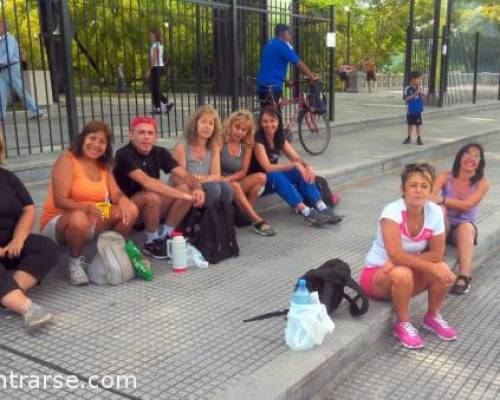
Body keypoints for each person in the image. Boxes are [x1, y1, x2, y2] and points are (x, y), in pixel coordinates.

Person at [360, 163, 457, 349]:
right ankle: (402, 323)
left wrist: (429, 264)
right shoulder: (392, 212)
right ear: (403, 188)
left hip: (404, 273)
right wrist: (425, 264)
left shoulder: (435, 212)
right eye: (413, 185)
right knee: (404, 272)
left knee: (439, 268)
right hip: (377, 276)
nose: (418, 190)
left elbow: (437, 253)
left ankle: (432, 316)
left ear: (430, 190)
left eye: (424, 186)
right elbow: (395, 254)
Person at [40, 121, 139, 286]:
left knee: (131, 210)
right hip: (60, 219)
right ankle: (75, 264)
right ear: (82, 139)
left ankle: (109, 255)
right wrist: (85, 207)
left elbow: (115, 193)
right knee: (78, 217)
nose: (96, 145)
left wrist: (123, 200)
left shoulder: (104, 165)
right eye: (92, 138)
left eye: (102, 142)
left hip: (94, 214)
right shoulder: (67, 159)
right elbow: (60, 200)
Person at [114, 116, 205, 259]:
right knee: (152, 196)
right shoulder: (124, 154)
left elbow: (184, 175)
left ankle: (164, 236)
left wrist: (197, 188)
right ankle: (151, 243)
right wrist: (182, 196)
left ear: (156, 137)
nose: (146, 137)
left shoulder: (160, 152)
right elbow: (147, 183)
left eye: (150, 133)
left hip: (153, 207)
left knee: (186, 188)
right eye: (141, 133)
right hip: (127, 209)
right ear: (131, 135)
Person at [0, 137, 60, 333]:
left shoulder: (7, 177)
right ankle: (28, 308)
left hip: (11, 243)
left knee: (47, 248)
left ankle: (8, 296)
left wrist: (18, 240)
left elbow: (28, 208)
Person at [249, 105, 341, 227]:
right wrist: (294, 165)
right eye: (265, 121)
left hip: (275, 180)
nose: (269, 125)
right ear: (260, 123)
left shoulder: (279, 136)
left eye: (272, 120)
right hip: (261, 182)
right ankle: (306, 212)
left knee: (300, 170)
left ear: (278, 121)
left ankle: (321, 206)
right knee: (275, 173)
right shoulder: (258, 139)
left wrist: (307, 166)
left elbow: (296, 158)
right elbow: (267, 167)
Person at [431, 143, 489, 295]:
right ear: (459, 157)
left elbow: (467, 206)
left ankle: (464, 277)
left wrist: (442, 199)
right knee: (439, 210)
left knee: (465, 227)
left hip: (462, 231)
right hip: (443, 225)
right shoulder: (444, 176)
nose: (471, 158)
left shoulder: (482, 183)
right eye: (467, 154)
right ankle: (437, 256)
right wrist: (439, 202)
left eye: (476, 156)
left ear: (480, 162)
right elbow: (430, 197)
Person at [220, 110, 275, 236]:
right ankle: (257, 220)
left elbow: (244, 171)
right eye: (237, 127)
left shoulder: (246, 145)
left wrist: (230, 179)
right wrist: (226, 180)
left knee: (261, 178)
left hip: (234, 181)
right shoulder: (221, 141)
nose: (240, 132)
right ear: (230, 125)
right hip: (220, 182)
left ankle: (242, 215)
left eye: (244, 130)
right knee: (235, 185)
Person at [173, 105, 233, 207]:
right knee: (214, 188)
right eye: (203, 121)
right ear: (195, 124)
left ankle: (217, 217)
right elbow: (179, 179)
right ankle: (197, 216)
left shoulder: (214, 147)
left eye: (211, 123)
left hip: (205, 184)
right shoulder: (182, 147)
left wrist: (197, 177)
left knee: (227, 188)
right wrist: (203, 179)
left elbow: (216, 176)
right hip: (185, 187)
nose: (207, 126)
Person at [256, 24, 318, 109]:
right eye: (289, 34)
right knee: (275, 118)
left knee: (266, 115)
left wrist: (285, 80)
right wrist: (312, 77)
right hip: (273, 87)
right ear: (283, 34)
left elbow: (271, 66)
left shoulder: (269, 44)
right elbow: (298, 62)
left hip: (261, 86)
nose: (291, 36)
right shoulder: (283, 46)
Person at [0, 19, 44, 121]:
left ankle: (37, 111)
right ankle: (1, 116)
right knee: (1, 93)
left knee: (21, 92)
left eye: (0, 26)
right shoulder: (1, 40)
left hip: (12, 68)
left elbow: (9, 55)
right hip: (2, 70)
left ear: (4, 28)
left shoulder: (10, 39)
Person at [145, 28, 173, 115]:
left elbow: (155, 58)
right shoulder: (158, 44)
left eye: (150, 35)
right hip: (158, 67)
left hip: (156, 68)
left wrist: (149, 70)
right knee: (154, 88)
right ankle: (158, 107)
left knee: (155, 89)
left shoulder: (156, 45)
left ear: (155, 35)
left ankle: (166, 103)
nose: (149, 37)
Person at [403, 70, 424, 145]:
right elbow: (407, 99)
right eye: (418, 79)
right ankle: (409, 137)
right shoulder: (408, 88)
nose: (420, 81)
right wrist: (415, 93)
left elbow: (421, 98)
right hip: (410, 110)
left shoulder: (418, 88)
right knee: (410, 124)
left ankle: (419, 138)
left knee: (418, 124)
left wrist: (421, 94)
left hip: (417, 110)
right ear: (413, 79)